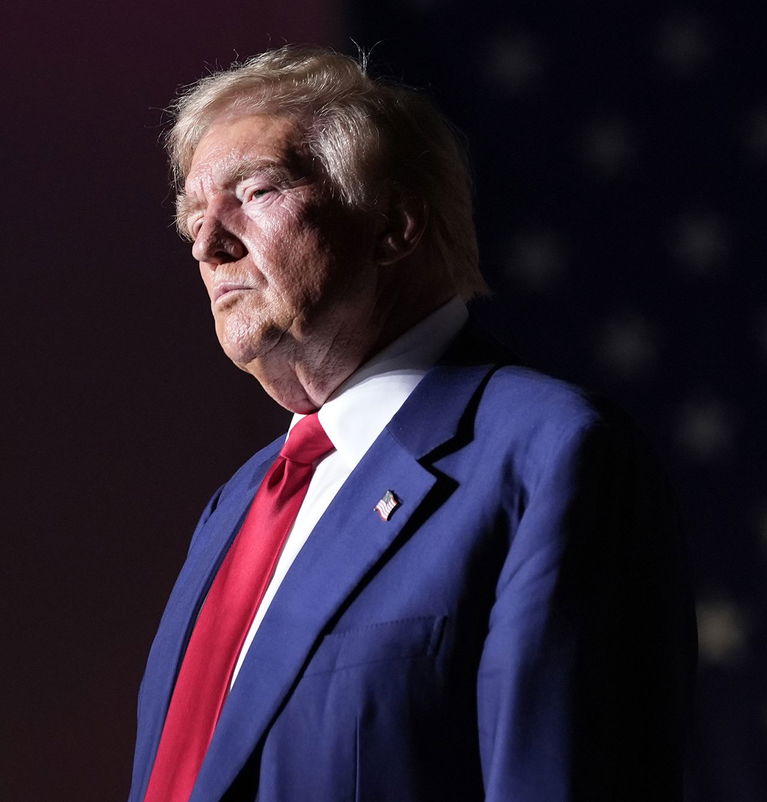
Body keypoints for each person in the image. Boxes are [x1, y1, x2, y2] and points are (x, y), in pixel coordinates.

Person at [128, 46, 695, 802]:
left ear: (393, 224)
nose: (207, 245)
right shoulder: (236, 506)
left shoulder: (552, 455)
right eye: (193, 220)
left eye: (255, 193)